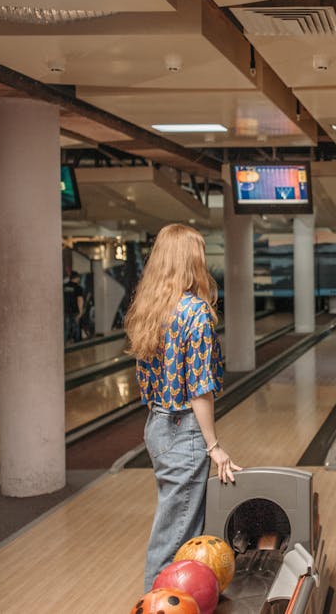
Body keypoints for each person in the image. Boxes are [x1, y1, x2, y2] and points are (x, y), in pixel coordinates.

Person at [124, 223, 242, 593]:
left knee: (177, 523)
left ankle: (183, 598)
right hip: (184, 429)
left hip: (157, 426)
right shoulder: (197, 313)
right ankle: (157, 602)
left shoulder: (150, 309)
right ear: (193, 260)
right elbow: (199, 389)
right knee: (175, 534)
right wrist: (213, 445)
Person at [63, 270, 84, 343]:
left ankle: (64, 344)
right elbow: (79, 300)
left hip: (65, 310)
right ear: (77, 278)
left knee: (66, 328)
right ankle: (77, 344)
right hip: (75, 311)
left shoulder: (64, 287)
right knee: (76, 328)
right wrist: (80, 312)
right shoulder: (78, 287)